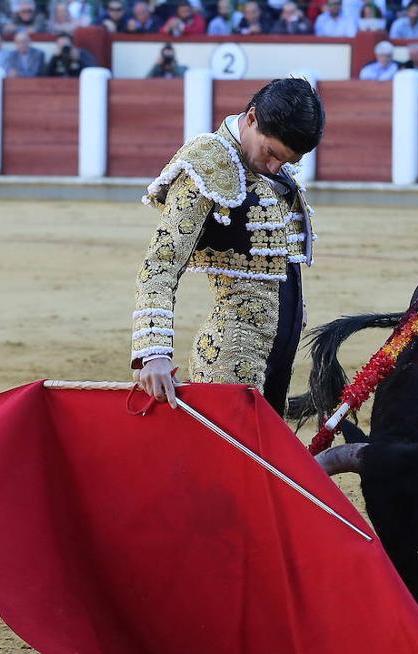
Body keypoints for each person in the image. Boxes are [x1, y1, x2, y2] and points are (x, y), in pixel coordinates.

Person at [131, 78, 324, 417]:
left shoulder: (275, 172)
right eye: (272, 154)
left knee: (262, 461)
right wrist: (153, 352)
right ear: (252, 118)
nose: (275, 167)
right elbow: (159, 265)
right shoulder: (206, 164)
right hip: (231, 355)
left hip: (281, 348)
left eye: (285, 160)